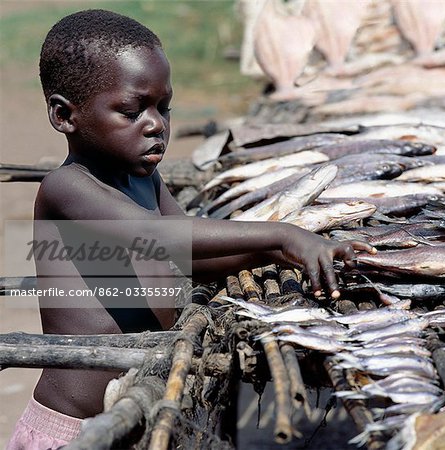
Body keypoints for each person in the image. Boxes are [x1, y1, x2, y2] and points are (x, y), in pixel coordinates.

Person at [7, 9, 375, 449]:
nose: (156, 124)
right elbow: (160, 238)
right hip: (73, 428)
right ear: (65, 115)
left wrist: (281, 255)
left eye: (164, 107)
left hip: (139, 408)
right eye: (132, 110)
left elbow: (192, 256)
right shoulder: (68, 188)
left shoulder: (145, 180)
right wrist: (281, 235)